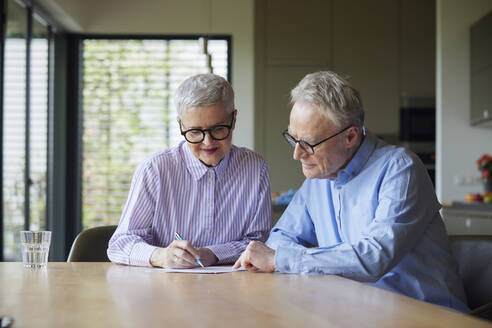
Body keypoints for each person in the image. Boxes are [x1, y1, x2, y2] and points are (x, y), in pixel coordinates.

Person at [233, 71, 469, 312]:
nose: (297, 154)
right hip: (356, 312)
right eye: (293, 140)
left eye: (309, 143)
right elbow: (280, 238)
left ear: (350, 136)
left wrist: (284, 260)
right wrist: (292, 257)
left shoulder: (400, 169)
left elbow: (373, 257)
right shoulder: (318, 178)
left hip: (426, 315)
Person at [108, 73, 271, 268]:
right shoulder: (155, 170)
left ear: (233, 120)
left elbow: (259, 243)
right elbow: (120, 244)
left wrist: (213, 254)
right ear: (181, 126)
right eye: (195, 132)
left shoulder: (255, 168)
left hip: (233, 289)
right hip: (163, 291)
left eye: (218, 129)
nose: (207, 142)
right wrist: (160, 255)